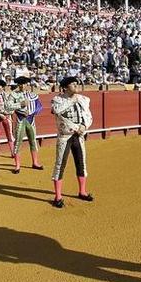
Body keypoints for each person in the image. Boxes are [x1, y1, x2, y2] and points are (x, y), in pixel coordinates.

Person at [50, 77, 94, 208]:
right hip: (65, 136)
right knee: (60, 165)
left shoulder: (83, 99)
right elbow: (58, 112)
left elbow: (88, 116)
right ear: (65, 87)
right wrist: (72, 100)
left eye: (76, 83)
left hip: (78, 136)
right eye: (73, 84)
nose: (76, 85)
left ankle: (82, 191)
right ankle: (58, 197)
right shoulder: (57, 100)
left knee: (81, 163)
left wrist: (84, 126)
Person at [4, 76, 44, 174]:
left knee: (33, 141)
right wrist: (20, 105)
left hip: (31, 120)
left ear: (27, 84)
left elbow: (39, 107)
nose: (22, 86)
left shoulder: (33, 95)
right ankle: (17, 165)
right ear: (18, 85)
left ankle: (35, 162)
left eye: (24, 84)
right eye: (20, 84)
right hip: (20, 119)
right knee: (18, 142)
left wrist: (32, 112)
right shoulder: (13, 95)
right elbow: (7, 106)